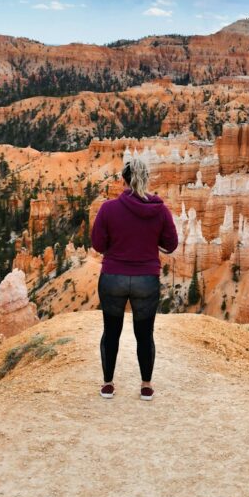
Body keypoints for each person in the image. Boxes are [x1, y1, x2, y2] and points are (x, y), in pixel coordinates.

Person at [90, 156, 178, 401]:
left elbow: (97, 244)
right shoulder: (159, 210)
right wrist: (152, 242)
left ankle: (108, 384)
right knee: (145, 334)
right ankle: (146, 386)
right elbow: (171, 244)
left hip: (113, 279)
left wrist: (116, 244)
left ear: (123, 180)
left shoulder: (108, 208)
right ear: (147, 179)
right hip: (145, 281)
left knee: (111, 332)